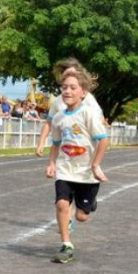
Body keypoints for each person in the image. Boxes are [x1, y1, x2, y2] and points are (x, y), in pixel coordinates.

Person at [45, 69, 109, 264]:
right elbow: (56, 144)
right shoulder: (58, 118)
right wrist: (52, 163)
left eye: (73, 87)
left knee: (81, 216)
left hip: (86, 173)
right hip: (66, 169)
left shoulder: (89, 114)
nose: (67, 91)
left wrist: (96, 165)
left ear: (83, 92)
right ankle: (66, 244)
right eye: (64, 87)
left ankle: (88, 204)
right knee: (62, 204)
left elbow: (103, 141)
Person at [35, 57, 103, 157]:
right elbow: (48, 124)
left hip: (84, 154)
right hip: (64, 152)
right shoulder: (58, 101)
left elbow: (100, 120)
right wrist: (41, 144)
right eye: (67, 73)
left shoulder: (88, 98)